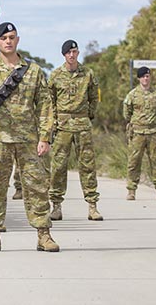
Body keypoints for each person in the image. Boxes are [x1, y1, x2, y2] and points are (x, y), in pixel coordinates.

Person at [0, 22, 58, 251]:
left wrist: (45, 136)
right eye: (4, 38)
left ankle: (43, 233)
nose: (8, 41)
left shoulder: (34, 70)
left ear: (18, 40)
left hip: (27, 137)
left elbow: (45, 105)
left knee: (36, 185)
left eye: (12, 37)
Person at [48, 40, 103, 221]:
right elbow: (50, 101)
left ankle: (92, 206)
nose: (72, 55)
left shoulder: (87, 73)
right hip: (63, 126)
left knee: (87, 165)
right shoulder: (55, 75)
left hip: (82, 124)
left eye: (75, 51)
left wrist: (89, 115)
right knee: (58, 167)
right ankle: (56, 206)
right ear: (64, 55)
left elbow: (94, 97)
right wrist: (54, 121)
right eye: (69, 52)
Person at [122, 67, 156, 201]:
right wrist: (134, 123)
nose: (146, 79)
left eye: (148, 76)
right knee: (134, 161)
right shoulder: (132, 95)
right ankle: (131, 191)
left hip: (154, 132)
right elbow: (127, 113)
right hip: (137, 132)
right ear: (139, 78)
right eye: (143, 76)